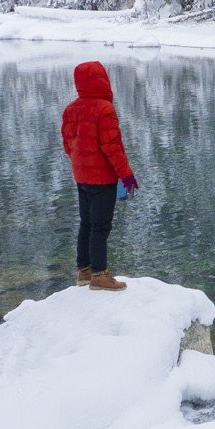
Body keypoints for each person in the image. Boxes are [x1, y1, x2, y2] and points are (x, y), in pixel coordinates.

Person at [61, 61, 138, 290]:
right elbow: (112, 147)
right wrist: (127, 176)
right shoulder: (105, 109)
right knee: (101, 227)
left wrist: (80, 163)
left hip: (81, 176)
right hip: (102, 178)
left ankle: (83, 271)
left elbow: (67, 144)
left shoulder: (71, 109)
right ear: (102, 79)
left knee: (86, 223)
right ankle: (100, 274)